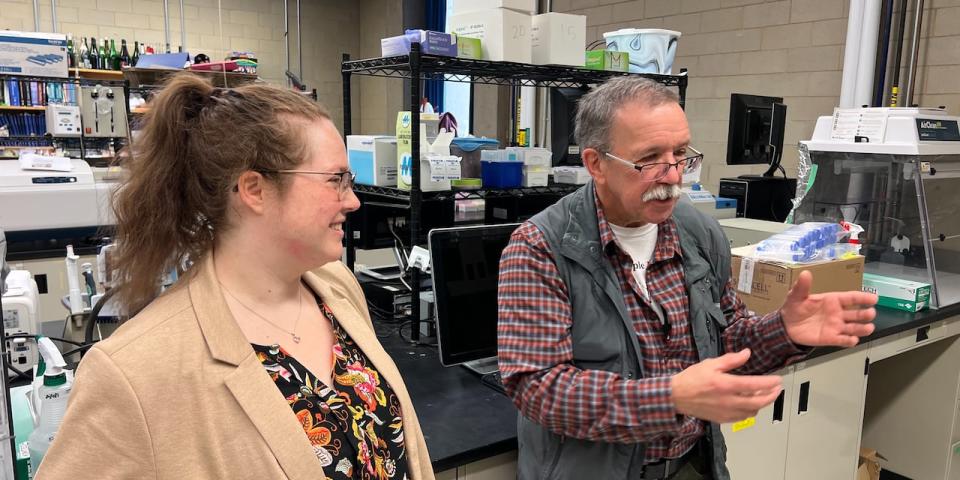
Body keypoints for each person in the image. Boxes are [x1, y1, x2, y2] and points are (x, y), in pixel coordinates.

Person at [38, 74, 435, 480]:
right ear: (254, 189)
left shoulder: (336, 288)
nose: (352, 200)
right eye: (336, 180)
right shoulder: (133, 373)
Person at [497, 77, 878, 480]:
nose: (673, 176)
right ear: (596, 164)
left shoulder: (698, 233)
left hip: (691, 466)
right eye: (649, 160)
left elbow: (726, 341)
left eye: (680, 154)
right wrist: (671, 397)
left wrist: (783, 331)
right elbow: (538, 388)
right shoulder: (541, 248)